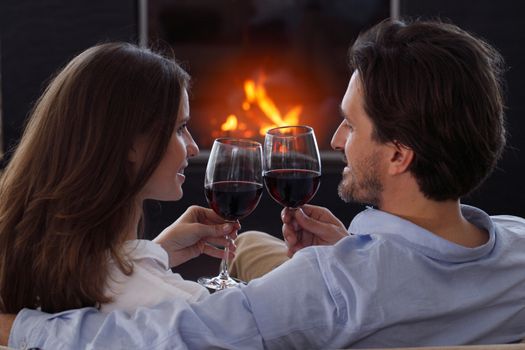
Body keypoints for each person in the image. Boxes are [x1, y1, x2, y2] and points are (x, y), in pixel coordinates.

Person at [3, 18, 525, 349]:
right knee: (253, 244)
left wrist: (19, 329)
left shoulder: (330, 289)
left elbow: (164, 338)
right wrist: (356, 251)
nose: (337, 140)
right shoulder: (517, 249)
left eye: (351, 122)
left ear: (397, 154)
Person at [0, 42, 240, 315]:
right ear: (128, 144)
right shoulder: (182, 307)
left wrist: (153, 253)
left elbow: (114, 277)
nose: (194, 147)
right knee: (253, 243)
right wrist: (301, 256)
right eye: (180, 128)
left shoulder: (45, 272)